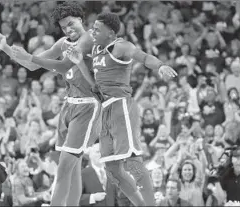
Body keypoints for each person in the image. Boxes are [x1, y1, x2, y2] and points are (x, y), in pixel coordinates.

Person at [0, 2, 113, 206]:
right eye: (64, 27)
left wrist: (30, 56)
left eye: (71, 23)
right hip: (69, 105)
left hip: (88, 106)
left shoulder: (89, 39)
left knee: (64, 166)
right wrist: (6, 49)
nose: (68, 29)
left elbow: (64, 65)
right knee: (72, 169)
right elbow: (31, 65)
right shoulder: (63, 43)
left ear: (81, 20)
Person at [66, 13, 177, 206]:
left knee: (133, 161)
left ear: (110, 32)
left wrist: (160, 66)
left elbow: (143, 57)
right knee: (113, 169)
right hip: (105, 110)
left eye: (97, 29)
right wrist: (79, 63)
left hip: (121, 106)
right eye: (92, 28)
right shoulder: (97, 52)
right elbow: (94, 86)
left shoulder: (121, 46)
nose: (92, 31)